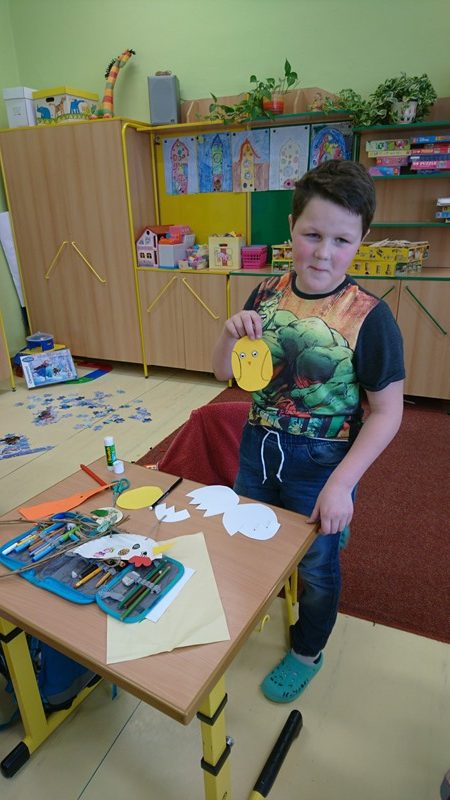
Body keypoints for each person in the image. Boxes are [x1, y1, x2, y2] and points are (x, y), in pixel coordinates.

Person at [212, 160, 405, 703]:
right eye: (312, 235)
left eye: (342, 240)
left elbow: (387, 413)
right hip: (259, 448)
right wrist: (228, 336)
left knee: (317, 567)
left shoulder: (371, 317)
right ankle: (255, 604)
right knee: (251, 537)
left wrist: (342, 485)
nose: (323, 253)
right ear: (291, 227)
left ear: (362, 240)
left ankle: (307, 650)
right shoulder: (264, 294)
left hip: (322, 463)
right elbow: (224, 375)